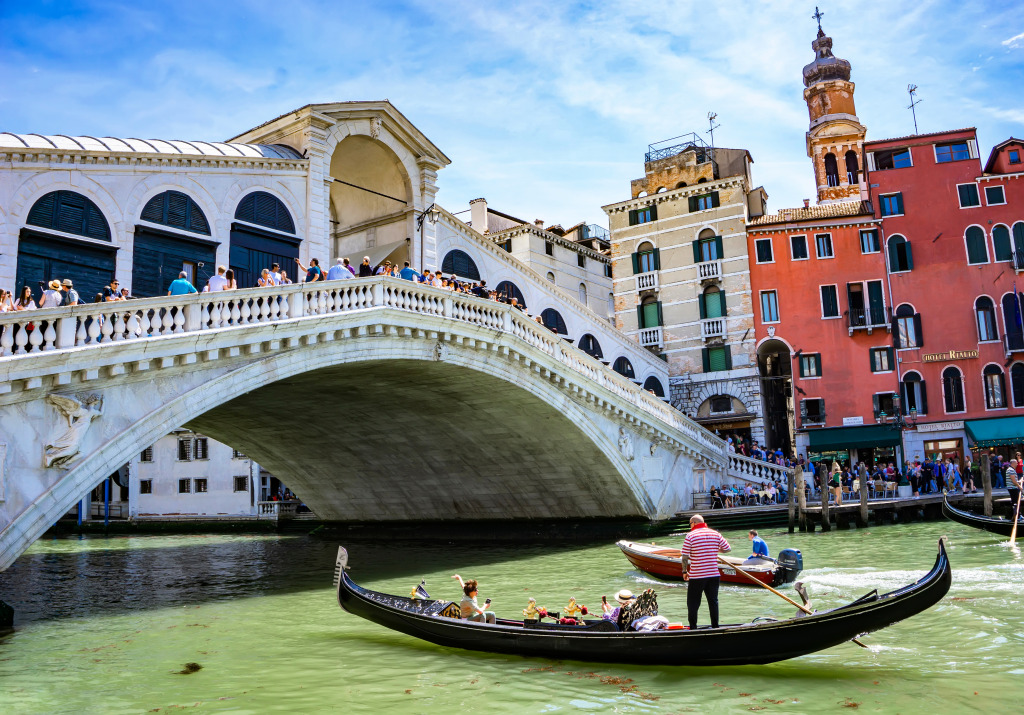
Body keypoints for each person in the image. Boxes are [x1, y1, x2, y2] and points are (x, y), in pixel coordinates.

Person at [679, 514, 731, 629]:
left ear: (694, 523)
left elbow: (685, 556)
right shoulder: (715, 533)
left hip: (697, 575)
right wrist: (714, 550)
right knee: (713, 602)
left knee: (693, 603)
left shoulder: (690, 536)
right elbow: (727, 548)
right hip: (713, 574)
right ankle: (715, 627)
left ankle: (693, 628)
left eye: (690, 524)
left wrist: (684, 571)